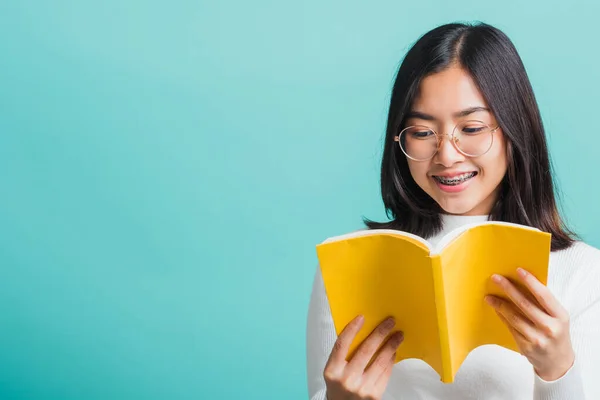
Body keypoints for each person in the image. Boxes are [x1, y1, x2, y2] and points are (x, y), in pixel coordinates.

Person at [306, 22, 600, 400]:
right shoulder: (348, 264)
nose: (447, 155)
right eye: (423, 132)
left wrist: (558, 371)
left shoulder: (584, 273)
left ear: (514, 130)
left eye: (472, 127)